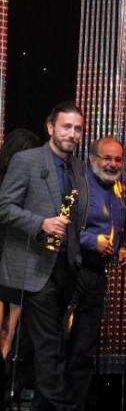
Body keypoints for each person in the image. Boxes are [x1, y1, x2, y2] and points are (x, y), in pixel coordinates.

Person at [0, 101, 89, 410]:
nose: (72, 134)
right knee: (49, 343)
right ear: (50, 127)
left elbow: (77, 216)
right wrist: (41, 223)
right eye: (66, 127)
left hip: (65, 266)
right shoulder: (26, 160)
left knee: (49, 342)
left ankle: (36, 400)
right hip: (33, 265)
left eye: (78, 129)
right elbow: (4, 207)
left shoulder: (78, 167)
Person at [73, 137, 126, 409]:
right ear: (92, 158)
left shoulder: (117, 188)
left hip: (98, 275)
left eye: (118, 159)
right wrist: (90, 241)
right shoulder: (78, 184)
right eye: (107, 158)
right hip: (73, 271)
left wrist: (122, 247)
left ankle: (76, 404)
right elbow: (62, 226)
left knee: (85, 347)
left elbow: (116, 227)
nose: (113, 164)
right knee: (60, 343)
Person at [0, 129, 41, 357]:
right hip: (16, 255)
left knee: (9, 329)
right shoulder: (24, 181)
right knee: (10, 330)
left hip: (14, 254)